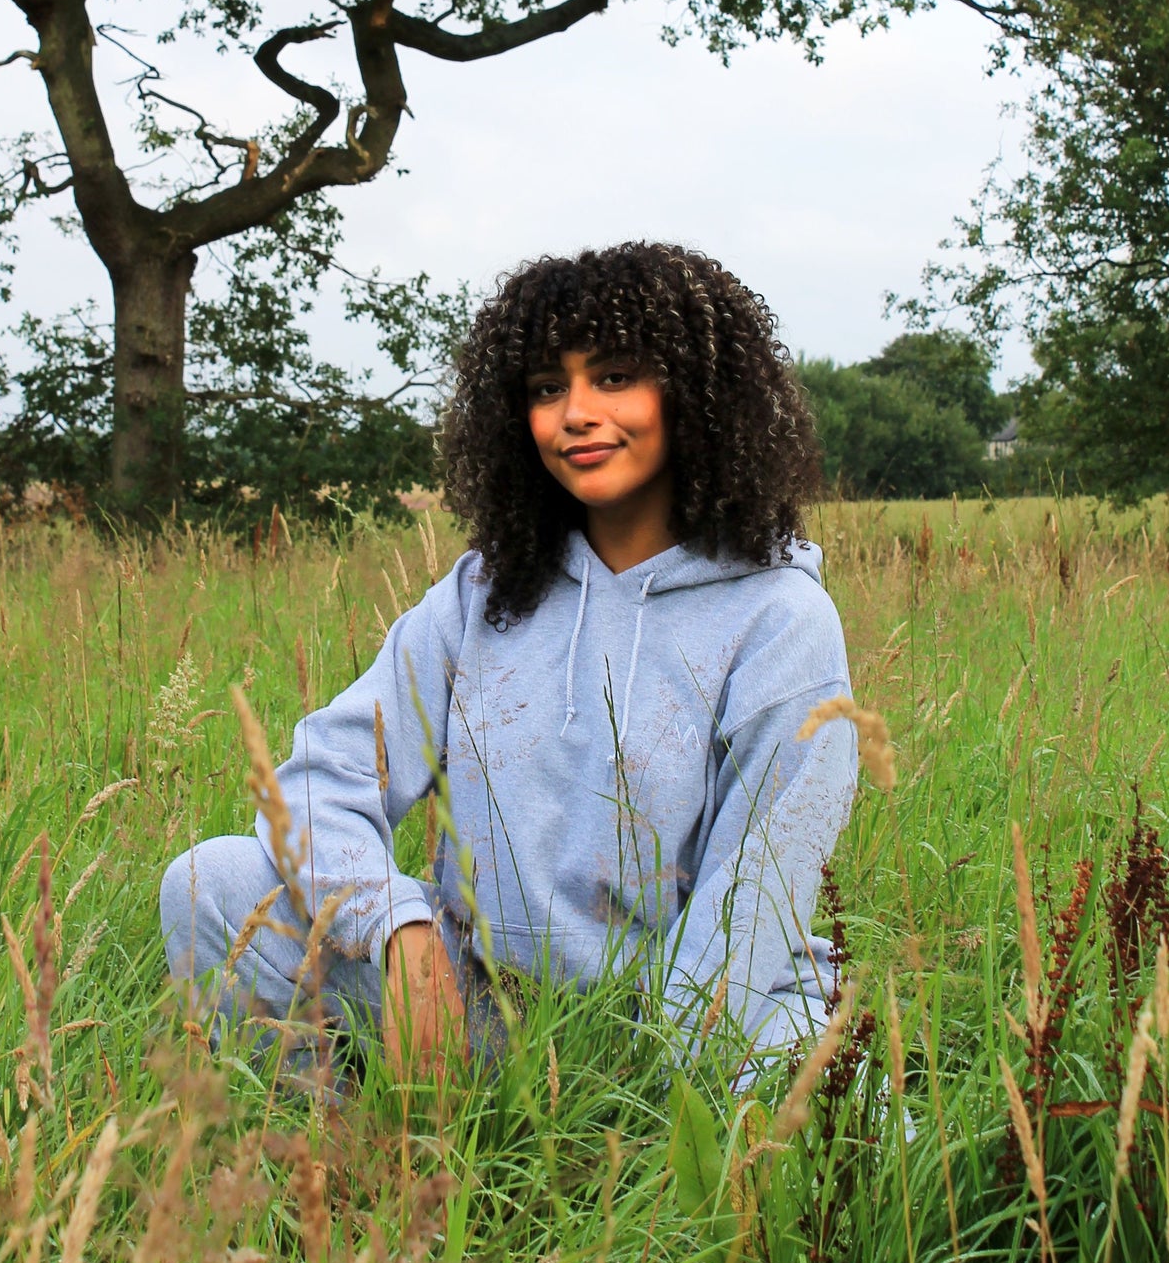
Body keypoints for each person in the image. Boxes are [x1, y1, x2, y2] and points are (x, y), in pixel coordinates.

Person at [160, 241, 858, 1086]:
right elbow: (315, 782)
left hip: (702, 1012)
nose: (574, 414)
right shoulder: (482, 593)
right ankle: (328, 1161)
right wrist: (397, 927)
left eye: (613, 377)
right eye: (545, 388)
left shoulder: (779, 616)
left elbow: (750, 903)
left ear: (698, 397)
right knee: (214, 880)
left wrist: (642, 1103)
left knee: (838, 1107)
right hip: (478, 1004)